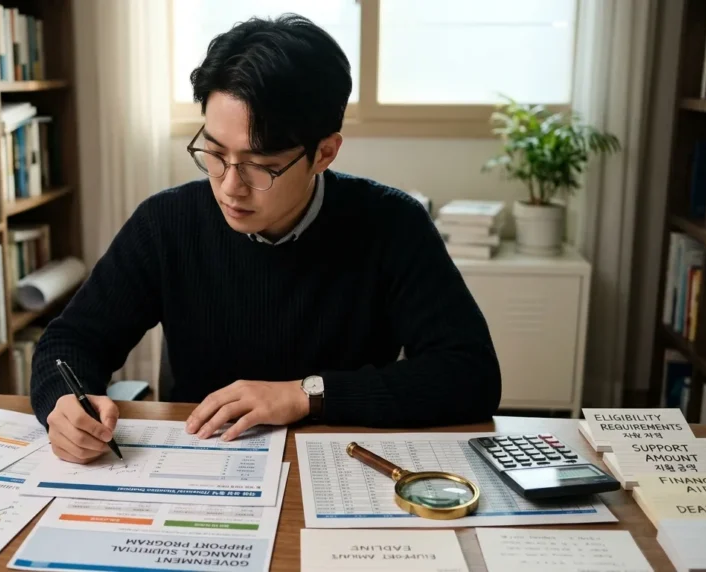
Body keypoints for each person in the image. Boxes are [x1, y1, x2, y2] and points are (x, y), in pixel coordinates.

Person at [30, 14, 501, 464]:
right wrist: (64, 405)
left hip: (341, 464)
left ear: (324, 153)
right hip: (202, 464)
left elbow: (470, 373)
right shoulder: (166, 223)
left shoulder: (393, 224)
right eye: (214, 153)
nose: (230, 186)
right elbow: (72, 341)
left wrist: (305, 394)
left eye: (260, 166)